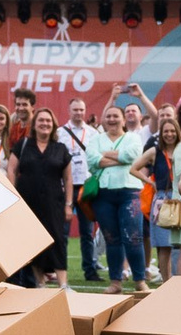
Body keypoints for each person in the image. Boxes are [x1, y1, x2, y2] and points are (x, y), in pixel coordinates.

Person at [85, 103, 152, 293]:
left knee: (134, 237)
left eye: (116, 116)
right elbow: (91, 160)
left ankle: (140, 280)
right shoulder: (96, 139)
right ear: (104, 120)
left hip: (129, 193)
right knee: (111, 238)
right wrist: (119, 158)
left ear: (123, 119)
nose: (112, 120)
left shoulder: (133, 138)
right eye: (109, 116)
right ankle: (115, 282)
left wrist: (105, 156)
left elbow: (132, 156)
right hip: (103, 194)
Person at [8, 106, 74, 288]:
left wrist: (69, 204)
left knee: (58, 241)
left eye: (48, 121)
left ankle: (63, 284)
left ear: (53, 125)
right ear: (34, 125)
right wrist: (13, 194)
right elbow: (11, 169)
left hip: (54, 203)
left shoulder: (60, 148)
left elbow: (68, 178)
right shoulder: (22, 145)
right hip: (28, 201)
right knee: (33, 241)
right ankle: (40, 283)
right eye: (41, 121)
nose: (45, 124)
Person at [148, 113, 181, 281]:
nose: (169, 134)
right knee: (163, 245)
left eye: (172, 130)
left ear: (178, 131)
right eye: (165, 131)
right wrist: (151, 182)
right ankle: (166, 281)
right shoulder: (156, 151)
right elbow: (134, 168)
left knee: (178, 244)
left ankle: (178, 279)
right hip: (163, 200)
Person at [57, 97, 99, 273]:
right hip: (66, 186)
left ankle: (90, 269)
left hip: (86, 187)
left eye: (81, 110)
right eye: (75, 110)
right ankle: (61, 269)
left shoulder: (92, 133)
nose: (79, 113)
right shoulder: (60, 132)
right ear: (69, 111)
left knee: (87, 232)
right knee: (63, 232)